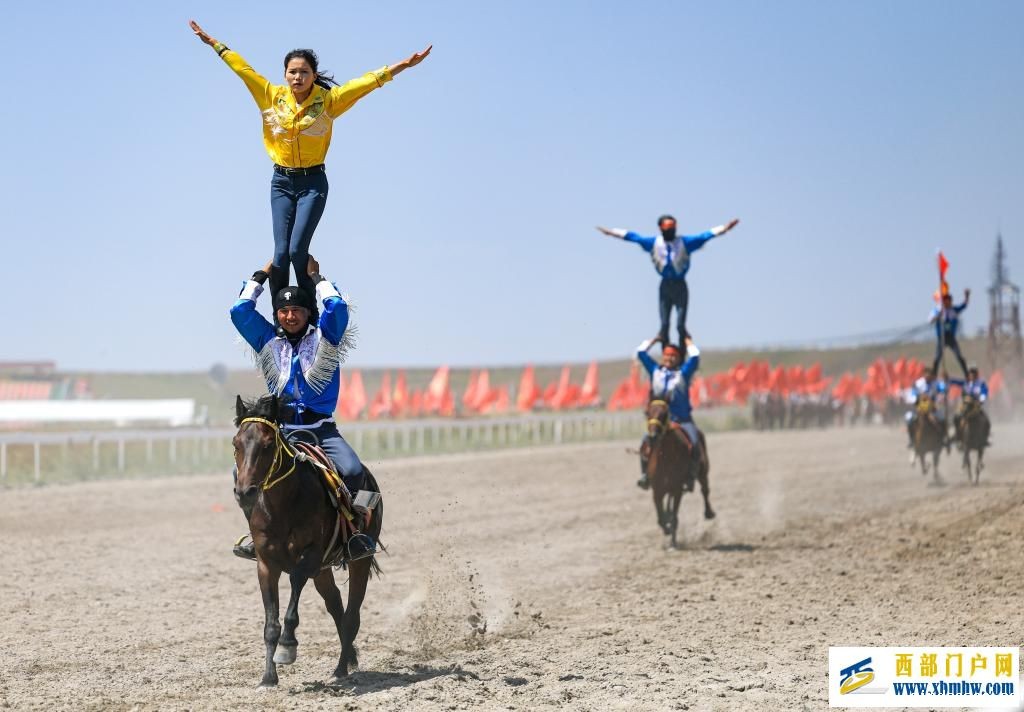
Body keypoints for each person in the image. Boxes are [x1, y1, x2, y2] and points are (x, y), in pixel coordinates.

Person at [189, 20, 431, 310]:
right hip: (281, 182)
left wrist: (402, 65)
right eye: (292, 71)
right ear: (285, 74)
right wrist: (215, 44)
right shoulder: (270, 96)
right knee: (280, 256)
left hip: (312, 184)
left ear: (314, 75)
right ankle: (281, 314)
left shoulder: (329, 101)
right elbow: (243, 69)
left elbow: (366, 83)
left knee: (297, 250)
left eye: (304, 72)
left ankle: (309, 312)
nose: (298, 77)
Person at [230, 255, 373, 561]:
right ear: (277, 315)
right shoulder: (266, 340)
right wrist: (261, 275)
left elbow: (338, 308)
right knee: (240, 472)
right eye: (283, 310)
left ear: (308, 314)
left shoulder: (326, 336)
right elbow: (240, 311)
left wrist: (317, 277)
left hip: (321, 430)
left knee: (353, 470)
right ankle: (257, 537)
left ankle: (356, 534)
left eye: (297, 310)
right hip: (282, 434)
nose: (290, 316)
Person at [596, 215, 739, 344]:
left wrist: (725, 228)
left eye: (673, 227)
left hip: (680, 285)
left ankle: (683, 351)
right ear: (661, 228)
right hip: (665, 286)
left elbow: (705, 236)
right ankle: (666, 352)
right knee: (664, 324)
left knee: (680, 325)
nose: (672, 230)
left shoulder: (684, 242)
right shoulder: (653, 243)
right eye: (668, 227)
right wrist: (611, 232)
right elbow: (633, 237)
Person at [634, 336, 703, 490]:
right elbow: (640, 353)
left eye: (674, 356)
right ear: (663, 356)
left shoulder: (683, 374)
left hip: (683, 420)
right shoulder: (655, 371)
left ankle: (690, 476)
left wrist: (688, 343)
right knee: (645, 443)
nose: (670, 358)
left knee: (694, 443)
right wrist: (653, 341)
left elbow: (695, 357)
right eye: (667, 355)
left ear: (678, 359)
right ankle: (645, 475)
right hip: (661, 422)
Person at [930, 290, 970, 377]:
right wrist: (938, 316)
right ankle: (933, 375)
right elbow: (931, 320)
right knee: (937, 358)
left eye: (949, 301)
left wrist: (967, 296)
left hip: (951, 337)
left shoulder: (954, 310)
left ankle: (967, 374)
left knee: (959, 356)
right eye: (945, 301)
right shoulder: (938, 311)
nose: (947, 303)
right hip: (942, 337)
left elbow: (964, 305)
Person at [905, 368, 947, 450]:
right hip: (920, 408)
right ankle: (911, 439)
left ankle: (943, 438)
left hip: (932, 408)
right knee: (909, 418)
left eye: (930, 375)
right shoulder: (918, 383)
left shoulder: (937, 384)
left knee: (942, 419)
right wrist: (916, 399)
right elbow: (912, 394)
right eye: (926, 375)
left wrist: (942, 394)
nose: (928, 377)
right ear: (923, 375)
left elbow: (942, 391)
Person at [950, 364, 991, 446]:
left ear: (976, 374)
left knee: (986, 421)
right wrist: (947, 378)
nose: (971, 375)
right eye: (970, 373)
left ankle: (984, 439)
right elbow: (954, 381)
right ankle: (957, 435)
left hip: (975, 406)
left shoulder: (981, 383)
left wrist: (981, 400)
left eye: (973, 373)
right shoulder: (965, 383)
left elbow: (984, 392)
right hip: (965, 406)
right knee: (956, 418)